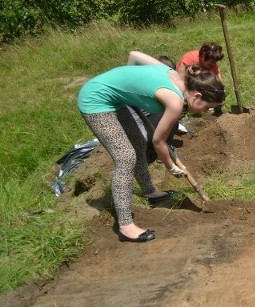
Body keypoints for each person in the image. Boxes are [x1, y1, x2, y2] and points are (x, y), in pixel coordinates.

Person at [77, 50, 226, 243]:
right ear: (197, 96)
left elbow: (134, 55)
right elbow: (159, 141)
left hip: (115, 98)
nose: (207, 111)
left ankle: (149, 191)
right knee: (125, 157)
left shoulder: (171, 73)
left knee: (138, 142)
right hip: (96, 100)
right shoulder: (175, 101)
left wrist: (131, 88)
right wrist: (171, 167)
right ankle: (125, 226)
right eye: (207, 106)